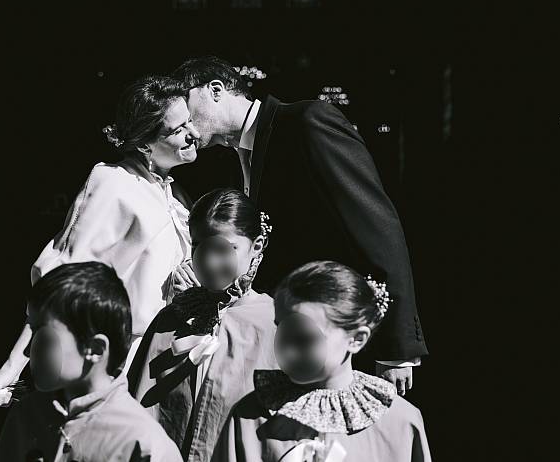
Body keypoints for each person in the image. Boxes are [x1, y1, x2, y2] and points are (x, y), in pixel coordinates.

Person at [172, 56, 427, 394]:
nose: (185, 124)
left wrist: (397, 347)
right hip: (285, 342)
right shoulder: (235, 159)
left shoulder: (307, 122)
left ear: (215, 90)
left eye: (186, 106)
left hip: (338, 336)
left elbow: (378, 228)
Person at [0, 75, 200, 404]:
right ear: (144, 144)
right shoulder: (114, 183)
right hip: (124, 367)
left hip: (168, 359)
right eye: (178, 129)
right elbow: (64, 278)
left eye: (190, 122)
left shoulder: (175, 195)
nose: (194, 134)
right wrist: (14, 365)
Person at [212, 261, 431, 462]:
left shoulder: (399, 423)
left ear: (356, 339)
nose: (287, 351)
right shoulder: (251, 416)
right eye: (282, 331)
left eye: (305, 339)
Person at [128, 188, 277, 462]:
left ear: (256, 245)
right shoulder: (172, 320)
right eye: (198, 246)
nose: (207, 262)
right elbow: (141, 412)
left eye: (222, 249)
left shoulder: (272, 324)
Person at [0, 262, 183, 462]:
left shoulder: (143, 444)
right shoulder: (27, 415)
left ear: (95, 349)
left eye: (45, 338)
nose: (26, 350)